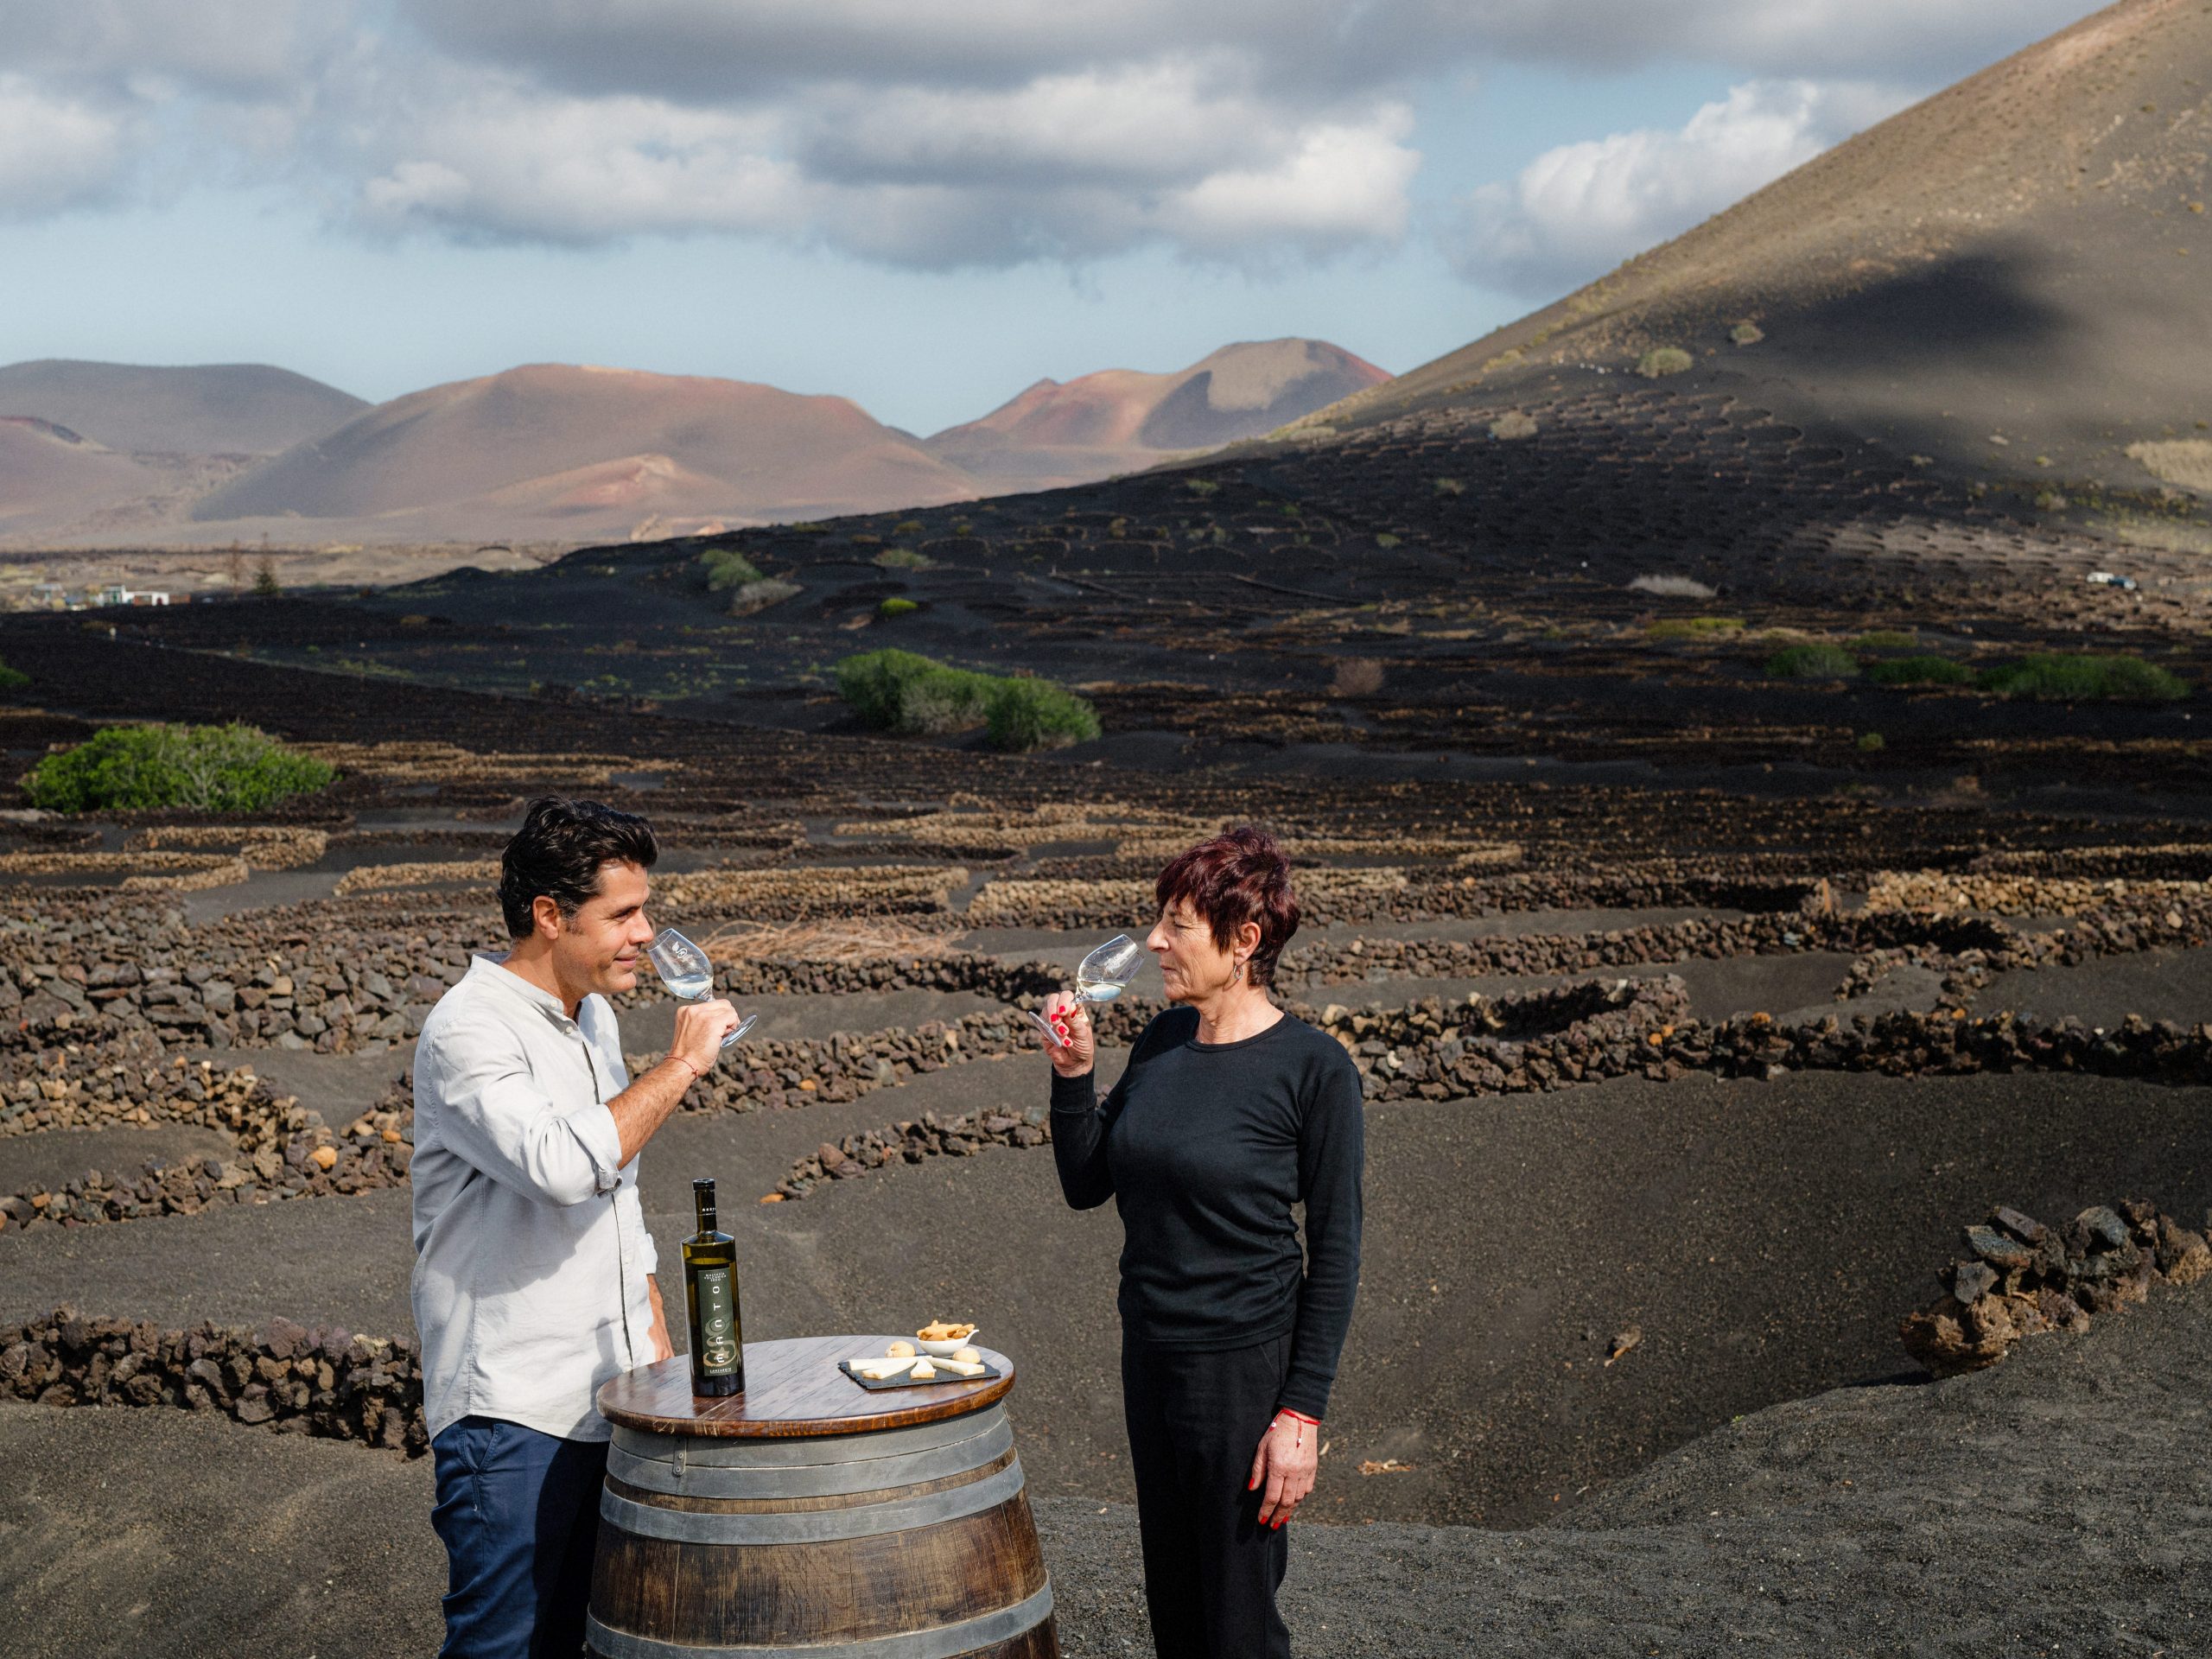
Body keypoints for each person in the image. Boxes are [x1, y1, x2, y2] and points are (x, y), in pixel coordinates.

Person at [410, 796, 739, 1659]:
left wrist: (656, 1332)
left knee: (594, 1637)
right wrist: (679, 1067)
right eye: (623, 914)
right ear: (550, 916)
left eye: (646, 910)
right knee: (503, 1645)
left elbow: (615, 1195)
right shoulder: (468, 1030)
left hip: (609, 1391)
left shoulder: (590, 1014)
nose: (646, 933)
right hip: (511, 1407)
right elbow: (562, 1167)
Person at [1043, 825, 1364, 1659]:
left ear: (1244, 941)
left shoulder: (1314, 1069)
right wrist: (1073, 1076)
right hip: (1151, 1354)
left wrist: (1301, 1413)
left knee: (1237, 1620)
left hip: (1244, 1371)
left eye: (1177, 924)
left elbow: (1335, 1251)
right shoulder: (1159, 1043)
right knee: (1176, 1605)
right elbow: (1086, 1185)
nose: (1154, 940)